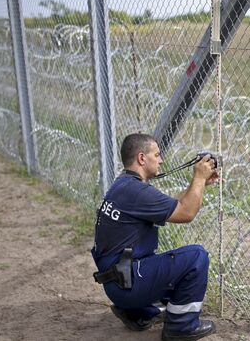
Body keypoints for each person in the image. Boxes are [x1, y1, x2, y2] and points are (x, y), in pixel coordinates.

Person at [91, 133, 219, 341]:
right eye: (157, 155)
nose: (161, 160)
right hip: (127, 284)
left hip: (118, 282)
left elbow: (172, 206)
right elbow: (186, 213)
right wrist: (198, 177)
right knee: (196, 257)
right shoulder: (136, 192)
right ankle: (181, 327)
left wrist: (200, 185)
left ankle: (137, 312)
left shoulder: (124, 185)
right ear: (142, 158)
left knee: (173, 283)